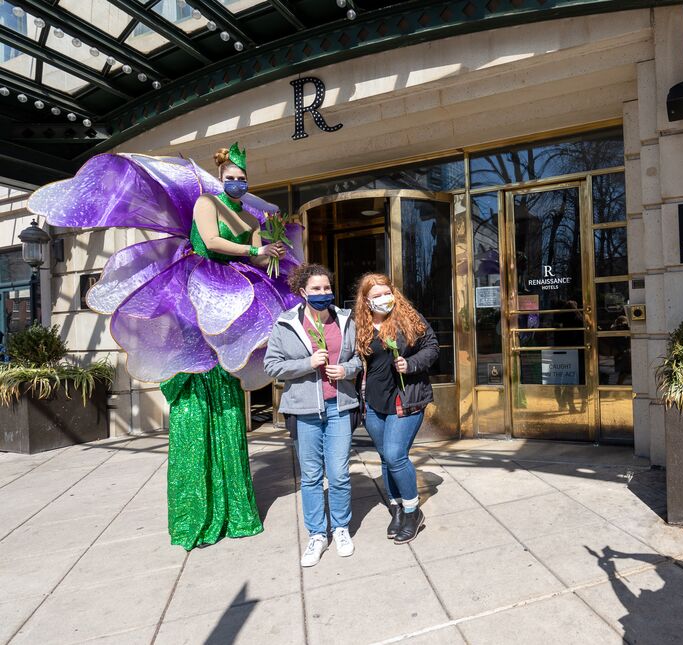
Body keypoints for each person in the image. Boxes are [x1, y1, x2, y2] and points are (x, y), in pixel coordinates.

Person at [28, 144, 302, 550]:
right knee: (193, 397)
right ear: (219, 178)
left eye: (242, 178)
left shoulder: (249, 215)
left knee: (226, 396)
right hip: (197, 287)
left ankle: (233, 511)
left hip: (230, 294)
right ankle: (196, 514)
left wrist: (272, 253)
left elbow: (259, 258)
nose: (237, 183)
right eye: (230, 177)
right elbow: (210, 242)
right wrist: (253, 250)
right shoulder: (208, 203)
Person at [265, 263, 363, 567]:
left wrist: (346, 369)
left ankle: (341, 527)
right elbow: (272, 366)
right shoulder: (285, 324)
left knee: (339, 474)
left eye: (327, 288)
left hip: (339, 407)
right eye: (316, 289)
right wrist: (308, 362)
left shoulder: (346, 320)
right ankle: (317, 534)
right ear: (302, 292)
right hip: (304, 410)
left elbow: (359, 359)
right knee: (310, 476)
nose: (323, 293)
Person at [354, 272, 439, 544]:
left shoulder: (408, 317)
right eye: (376, 296)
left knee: (395, 455)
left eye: (386, 292)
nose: (383, 299)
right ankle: (397, 509)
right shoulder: (359, 325)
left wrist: (410, 364)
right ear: (366, 301)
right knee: (384, 457)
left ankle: (413, 511)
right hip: (373, 403)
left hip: (406, 399)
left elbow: (432, 346)